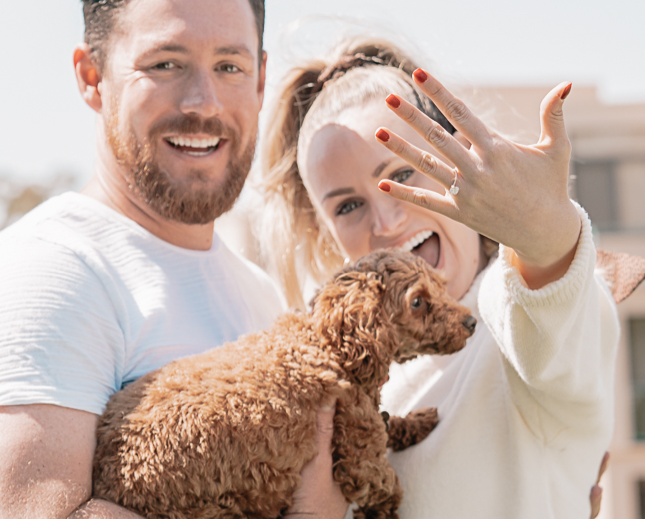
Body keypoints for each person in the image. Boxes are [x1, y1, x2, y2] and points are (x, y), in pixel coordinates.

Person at [0, 0, 345, 519]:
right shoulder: (42, 276)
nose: (203, 103)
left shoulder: (260, 292)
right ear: (92, 78)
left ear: (259, 81)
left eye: (229, 66)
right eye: (165, 64)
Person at [257, 40, 619, 517]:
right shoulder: (345, 375)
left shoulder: (509, 318)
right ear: (328, 236)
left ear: (460, 165)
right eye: (347, 205)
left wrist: (545, 231)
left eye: (403, 173)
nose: (385, 223)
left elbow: (552, 308)